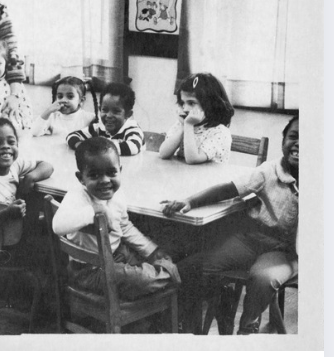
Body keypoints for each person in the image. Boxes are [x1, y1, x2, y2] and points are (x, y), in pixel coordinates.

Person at [162, 115, 299, 335]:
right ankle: (215, 304)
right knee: (194, 266)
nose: (299, 144)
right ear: (283, 140)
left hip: (287, 251)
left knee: (263, 278)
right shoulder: (270, 170)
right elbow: (230, 189)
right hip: (252, 239)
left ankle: (246, 330)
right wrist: (190, 201)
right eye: (293, 136)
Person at [52, 137, 180, 300]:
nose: (105, 180)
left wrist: (151, 250)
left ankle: (164, 273)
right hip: (88, 269)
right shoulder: (77, 196)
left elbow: (124, 226)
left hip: (116, 254)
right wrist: (94, 210)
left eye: (111, 173)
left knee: (158, 257)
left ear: (120, 170)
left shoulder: (117, 194)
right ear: (81, 178)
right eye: (94, 175)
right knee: (145, 279)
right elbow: (57, 226)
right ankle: (169, 273)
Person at [158, 72, 234, 164]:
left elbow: (193, 159)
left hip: (208, 173)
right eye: (182, 103)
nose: (185, 109)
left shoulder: (220, 132)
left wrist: (188, 125)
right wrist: (183, 127)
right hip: (184, 172)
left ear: (210, 105)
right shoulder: (183, 124)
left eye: (191, 103)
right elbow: (163, 154)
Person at [66, 82, 144, 156]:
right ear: (100, 109)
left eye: (116, 111)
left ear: (128, 114)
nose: (109, 115)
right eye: (105, 110)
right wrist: (80, 145)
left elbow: (133, 147)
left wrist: (97, 148)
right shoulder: (98, 127)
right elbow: (72, 135)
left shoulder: (132, 129)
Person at [32, 76, 98, 137]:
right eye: (60, 96)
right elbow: (35, 132)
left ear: (81, 100)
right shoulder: (53, 116)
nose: (63, 100)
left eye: (70, 96)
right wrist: (48, 111)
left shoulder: (89, 118)